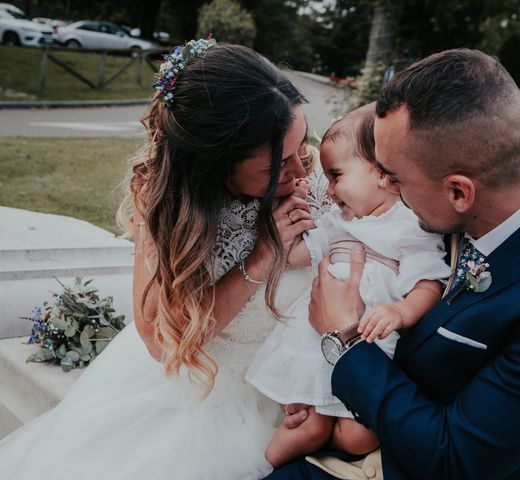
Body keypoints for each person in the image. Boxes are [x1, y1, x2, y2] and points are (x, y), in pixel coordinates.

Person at [267, 49, 520, 479]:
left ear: (459, 192)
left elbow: (453, 459)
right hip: (322, 425)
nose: (388, 190)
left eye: (396, 179)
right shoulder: (456, 203)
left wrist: (344, 339)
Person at [0, 40, 333, 479]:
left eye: (300, 145)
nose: (301, 171)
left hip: (311, 386)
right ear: (216, 165)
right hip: (212, 397)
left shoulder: (322, 172)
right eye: (277, 166)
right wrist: (264, 257)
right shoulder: (168, 208)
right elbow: (163, 340)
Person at [246, 103, 450, 468]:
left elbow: (428, 282)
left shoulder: (410, 223)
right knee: (307, 428)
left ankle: (328, 450)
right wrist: (297, 208)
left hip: (367, 339)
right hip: (315, 340)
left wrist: (400, 311)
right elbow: (295, 255)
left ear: (382, 173)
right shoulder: (336, 221)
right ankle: (267, 467)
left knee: (358, 438)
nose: (331, 190)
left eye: (336, 175)